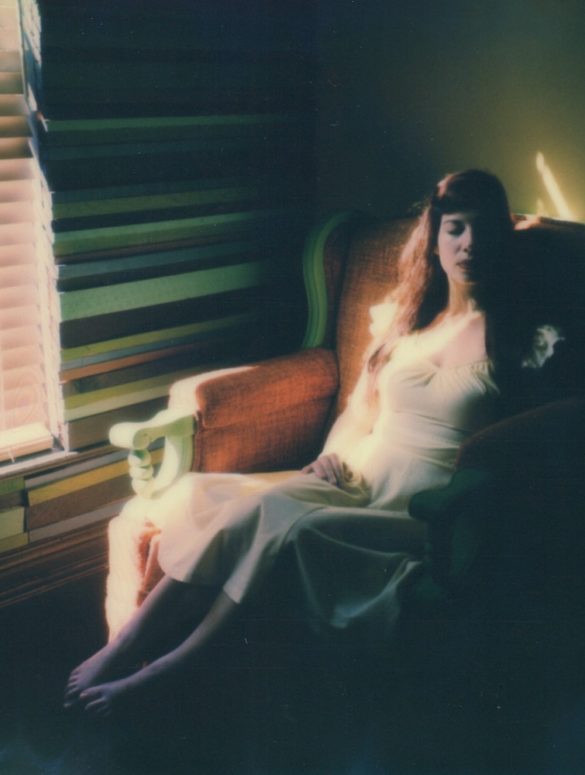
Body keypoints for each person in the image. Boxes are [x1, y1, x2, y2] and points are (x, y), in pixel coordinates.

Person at [64, 169, 561, 718]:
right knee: (249, 510)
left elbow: (531, 446)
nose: (469, 244)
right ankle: (124, 646)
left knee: (294, 531)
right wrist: (331, 454)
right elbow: (360, 411)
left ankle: (169, 670)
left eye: (483, 229)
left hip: (417, 510)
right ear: (435, 239)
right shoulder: (411, 323)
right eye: (455, 228)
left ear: (501, 238)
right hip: (357, 478)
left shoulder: (526, 340)